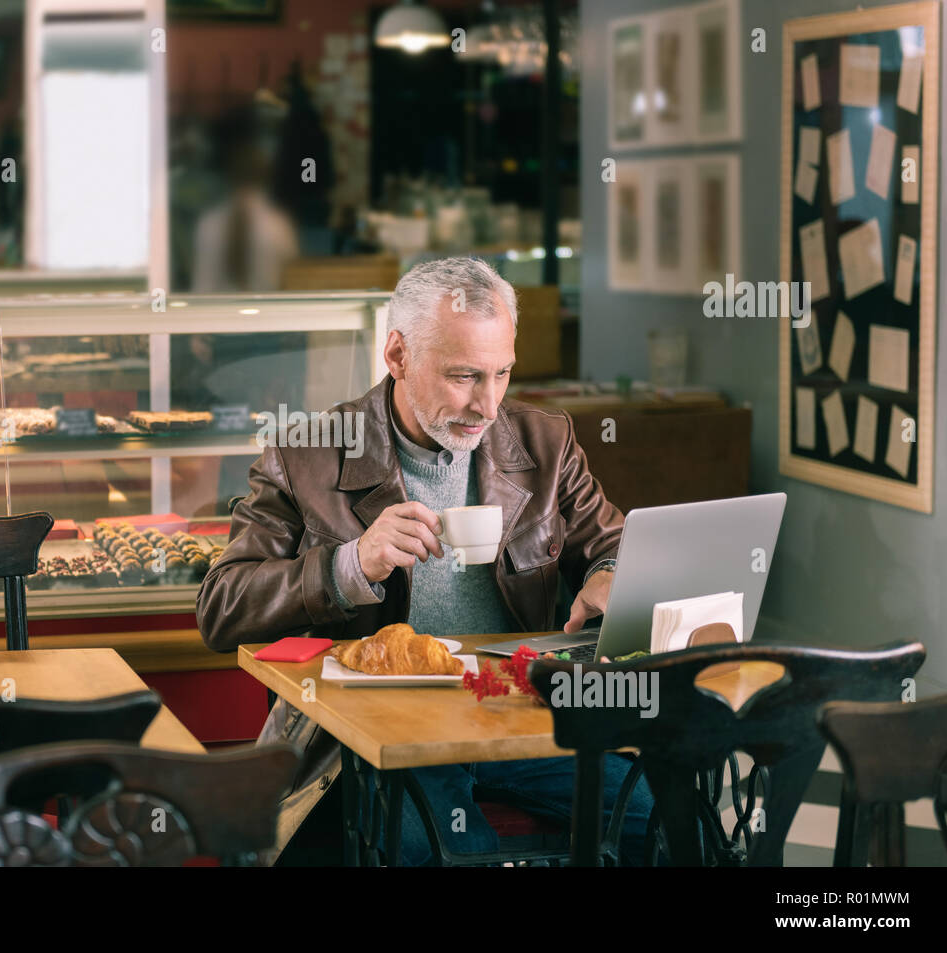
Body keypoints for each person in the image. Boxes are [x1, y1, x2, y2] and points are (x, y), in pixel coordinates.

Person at [197, 256, 653, 865]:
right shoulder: (305, 454)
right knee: (438, 847)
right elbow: (221, 609)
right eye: (464, 377)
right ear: (397, 357)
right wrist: (350, 565)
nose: (487, 405)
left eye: (502, 374)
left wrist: (606, 577)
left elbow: (613, 542)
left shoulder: (545, 442)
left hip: (518, 715)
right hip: (382, 731)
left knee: (661, 815)